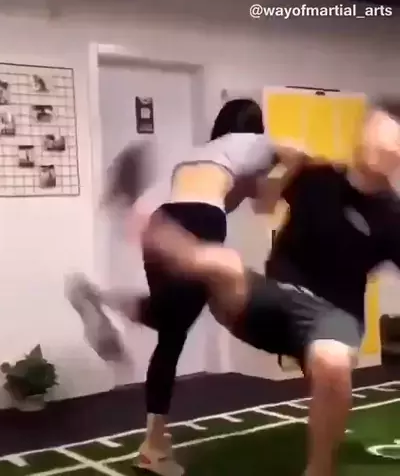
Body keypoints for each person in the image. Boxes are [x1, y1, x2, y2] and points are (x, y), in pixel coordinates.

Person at [70, 98, 400, 476]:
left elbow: (256, 201)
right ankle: (132, 227)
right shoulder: (305, 168)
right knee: (209, 279)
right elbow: (264, 202)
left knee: (176, 316)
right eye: (373, 135)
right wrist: (289, 167)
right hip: (263, 287)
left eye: (390, 143)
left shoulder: (392, 216)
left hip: (328, 311)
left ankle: (111, 286)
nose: (377, 146)